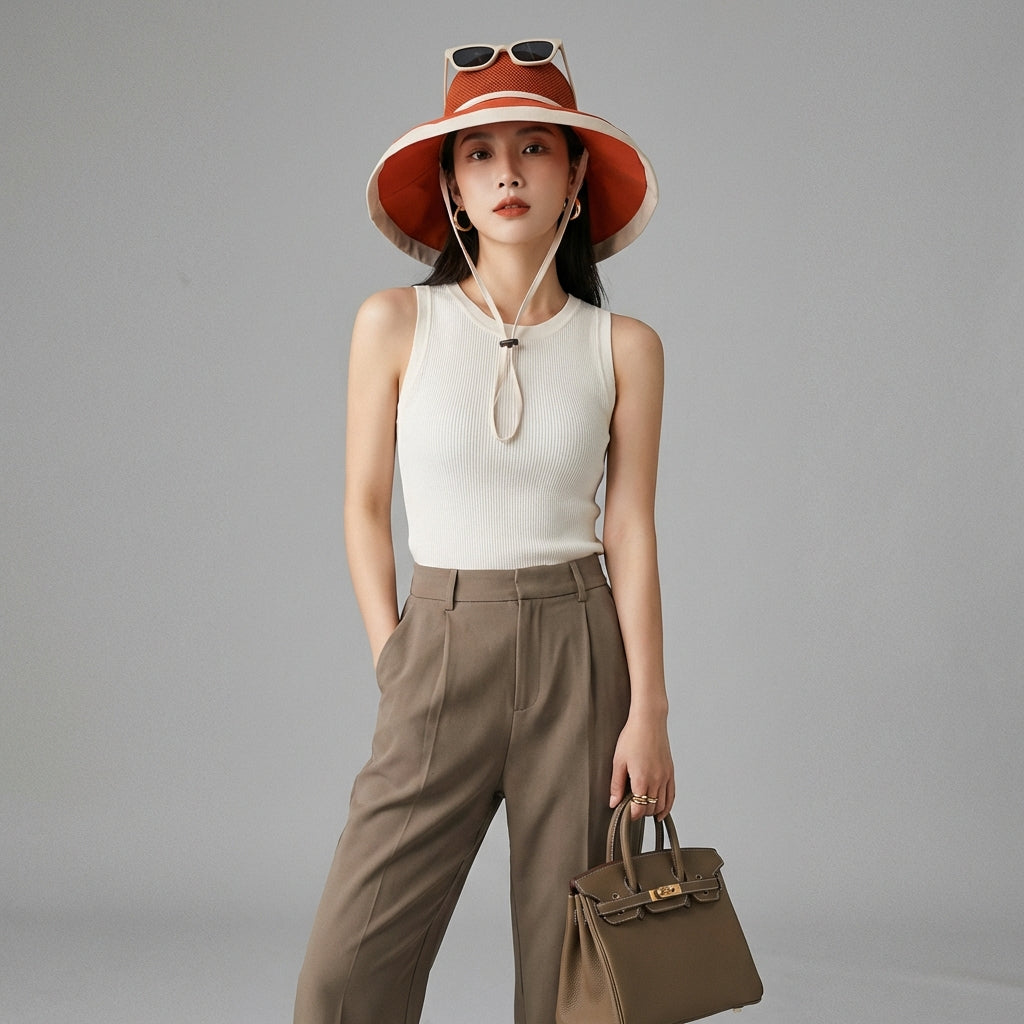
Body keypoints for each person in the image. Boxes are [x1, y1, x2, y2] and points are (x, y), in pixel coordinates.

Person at [294, 39, 674, 1024]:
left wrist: (650, 712)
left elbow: (630, 529)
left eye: (534, 147)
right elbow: (361, 503)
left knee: (575, 977)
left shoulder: (623, 346)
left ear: (575, 177)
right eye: (479, 152)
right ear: (453, 189)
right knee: (347, 975)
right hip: (440, 639)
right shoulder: (394, 323)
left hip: (580, 652)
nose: (508, 172)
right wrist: (393, 653)